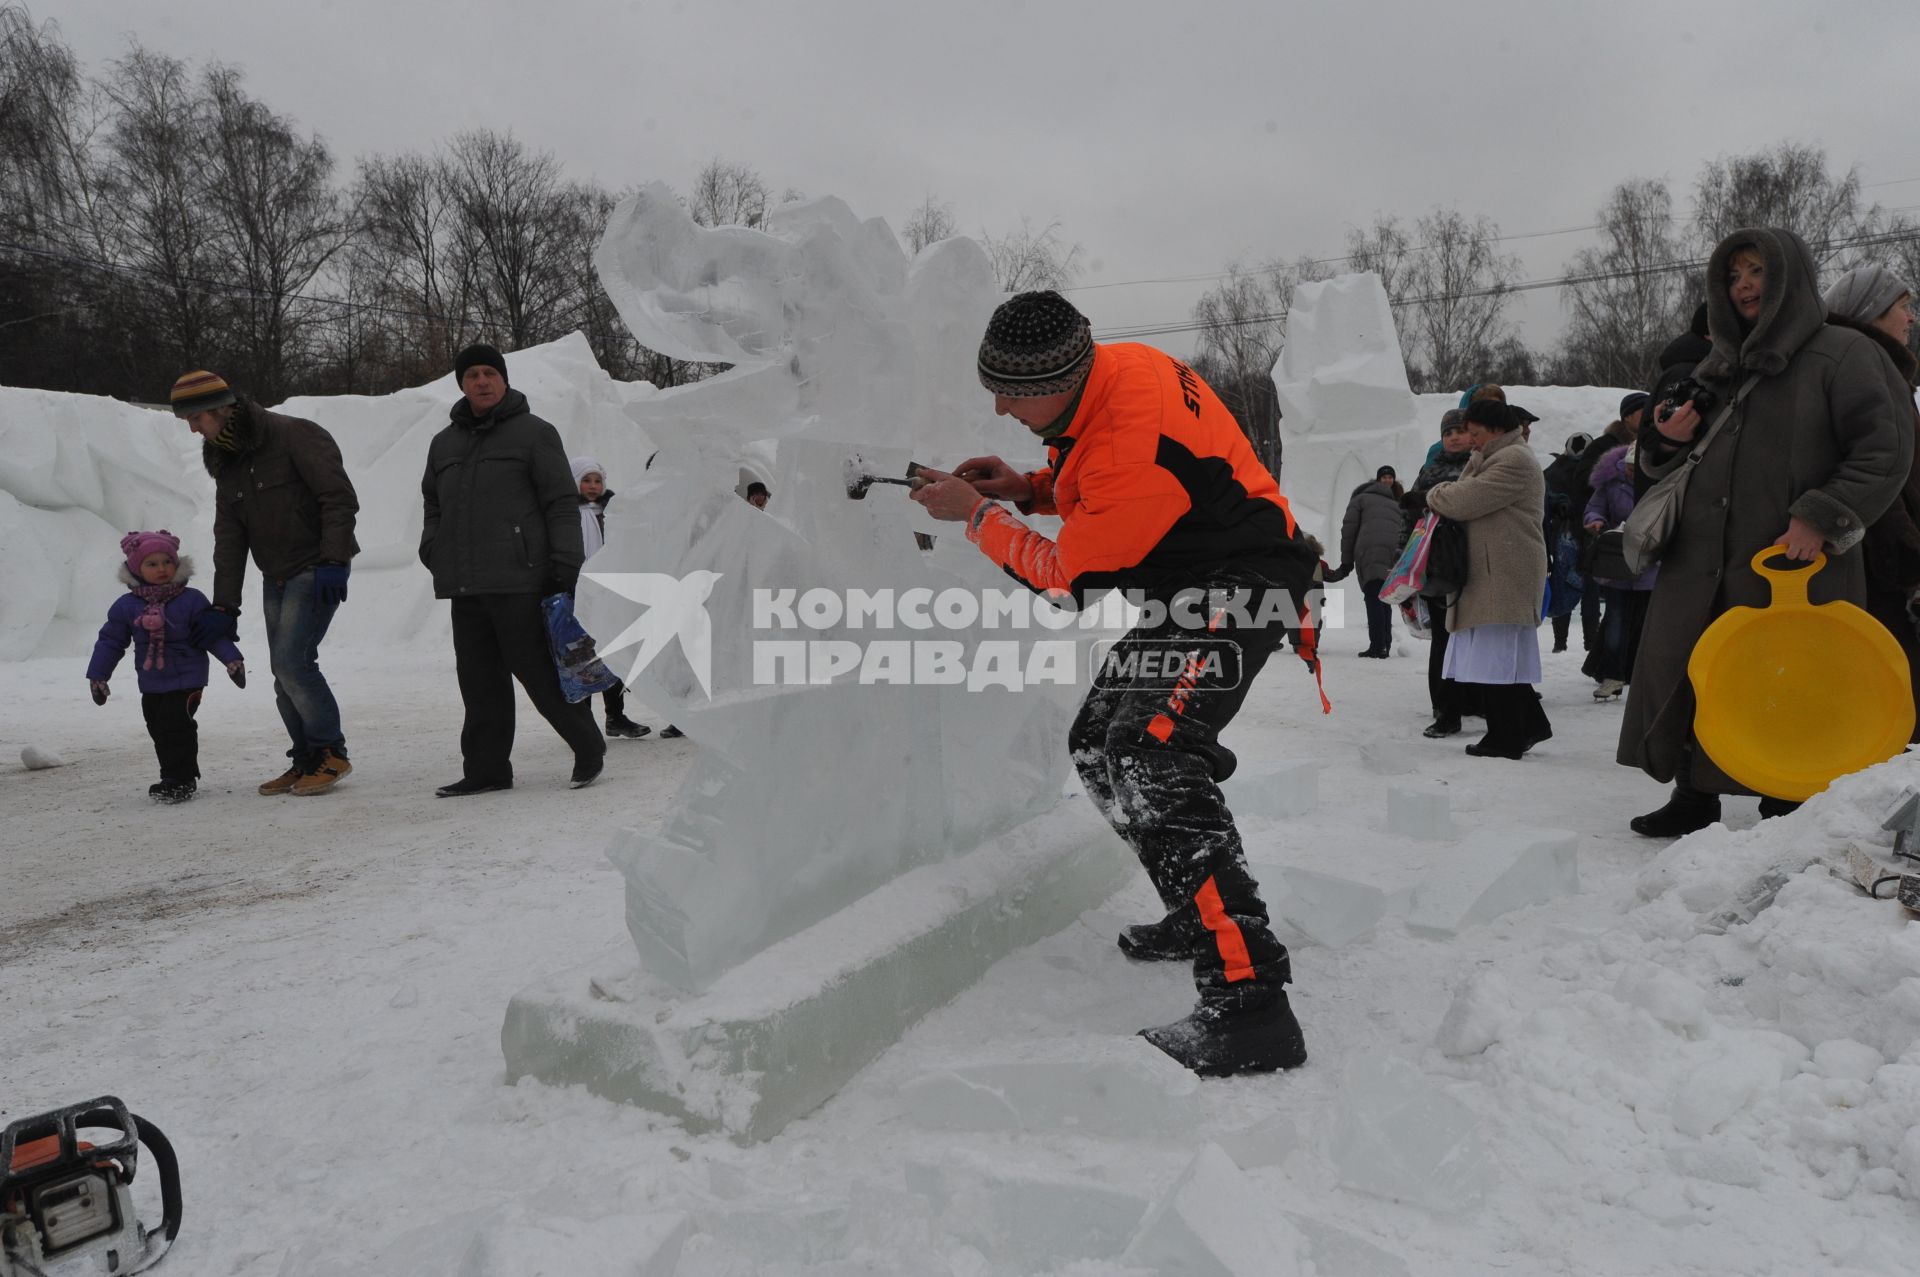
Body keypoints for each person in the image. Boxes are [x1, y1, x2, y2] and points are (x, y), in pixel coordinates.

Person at [909, 290, 1321, 1077]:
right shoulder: (1116, 372)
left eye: (1012, 391)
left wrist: (974, 517)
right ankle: (1198, 909)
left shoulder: (1133, 436)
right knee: (1099, 742)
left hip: (1246, 583)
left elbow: (1067, 578)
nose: (997, 404)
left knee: (1150, 750)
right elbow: (1100, 482)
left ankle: (1251, 999)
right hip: (1197, 582)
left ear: (1062, 378)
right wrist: (1024, 489)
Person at [1619, 228, 1910, 836]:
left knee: (1792, 677)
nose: (1746, 285)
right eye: (1734, 275)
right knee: (1698, 669)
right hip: (1699, 562)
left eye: (1757, 271)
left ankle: (1789, 790)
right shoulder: (1714, 366)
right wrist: (1663, 443)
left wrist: (1822, 516)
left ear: (1790, 278)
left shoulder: (1845, 353)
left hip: (1794, 562)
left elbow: (1884, 451)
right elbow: (1658, 466)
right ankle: (1694, 791)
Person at [421, 344, 606, 795]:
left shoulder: (535, 434)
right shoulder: (444, 443)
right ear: (461, 384)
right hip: (466, 584)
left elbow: (561, 504)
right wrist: (434, 548)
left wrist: (564, 565)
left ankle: (588, 747)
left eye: (489, 373)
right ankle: (487, 770)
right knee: (479, 683)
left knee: (539, 673)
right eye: (471, 375)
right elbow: (432, 505)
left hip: (522, 580)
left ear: (503, 380)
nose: (481, 381)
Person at [171, 369, 359, 796]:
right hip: (276, 572)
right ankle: (307, 757)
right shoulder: (225, 459)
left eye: (196, 417)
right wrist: (224, 606)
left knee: (293, 662)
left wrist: (334, 557)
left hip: (316, 564)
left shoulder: (294, 435)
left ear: (220, 408)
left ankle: (332, 752)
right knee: (282, 670)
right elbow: (230, 537)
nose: (192, 427)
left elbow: (338, 498)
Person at [1424, 398, 1552, 758]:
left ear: (1495, 431)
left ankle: (1507, 736)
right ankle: (1527, 726)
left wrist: (1433, 494)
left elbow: (1460, 500)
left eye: (1476, 434)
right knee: (1494, 657)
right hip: (1495, 570)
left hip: (1504, 572)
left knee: (1495, 659)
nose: (1471, 441)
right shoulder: (1494, 456)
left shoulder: (1513, 460)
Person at [1824, 263, 1920, 739]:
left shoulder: (1885, 371)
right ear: (1871, 314)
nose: (1911, 318)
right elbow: (1880, 475)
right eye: (1903, 307)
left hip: (1879, 556)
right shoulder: (1868, 369)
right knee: (1896, 690)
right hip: (1875, 563)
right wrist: (1910, 560)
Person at [86, 530, 246, 803]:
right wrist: (99, 675)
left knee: (176, 724)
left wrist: (232, 659)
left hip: (188, 678)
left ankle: (182, 779)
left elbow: (212, 635)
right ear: (136, 569)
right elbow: (111, 641)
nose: (161, 569)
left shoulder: (191, 600)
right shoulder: (126, 606)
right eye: (152, 564)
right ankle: (171, 775)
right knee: (157, 726)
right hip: (151, 681)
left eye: (166, 562)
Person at [1402, 408, 1476, 736]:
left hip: (1476, 564)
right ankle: (1445, 708)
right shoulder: (1430, 470)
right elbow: (1410, 520)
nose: (1455, 437)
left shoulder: (1482, 467)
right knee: (1444, 640)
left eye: (1460, 430)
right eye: (1448, 433)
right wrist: (1404, 564)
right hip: (1439, 566)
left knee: (1476, 638)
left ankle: (1477, 700)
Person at [573, 455, 651, 740]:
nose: (593, 486)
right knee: (582, 659)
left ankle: (615, 716)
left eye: (597, 481)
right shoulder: (565, 513)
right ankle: (584, 723)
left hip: (610, 592)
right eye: (586, 480)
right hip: (579, 593)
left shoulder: (614, 511)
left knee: (613, 654)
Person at [1582, 442, 1657, 699]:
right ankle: (1612, 676)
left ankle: (1645, 675)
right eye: (1629, 468)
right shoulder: (1611, 484)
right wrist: (1595, 521)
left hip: (1651, 565)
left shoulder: (1662, 486)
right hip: (1616, 561)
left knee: (1649, 624)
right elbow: (1593, 508)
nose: (1632, 473)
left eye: (1637, 469)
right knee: (1615, 620)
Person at [1338, 464, 1405, 658]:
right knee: (1384, 598)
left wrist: (1346, 561)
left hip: (1370, 552)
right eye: (1384, 477)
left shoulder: (1361, 499)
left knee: (1373, 596)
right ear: (1378, 480)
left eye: (1390, 477)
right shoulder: (1396, 504)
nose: (1387, 480)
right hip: (1392, 555)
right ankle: (1385, 644)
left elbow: (1349, 530)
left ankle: (1378, 646)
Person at [1542, 432, 1594, 653]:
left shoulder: (1553, 471)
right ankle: (1588, 642)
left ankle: (1562, 642)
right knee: (1587, 590)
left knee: (1566, 586)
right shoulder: (1594, 472)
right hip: (1584, 536)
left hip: (1565, 538)